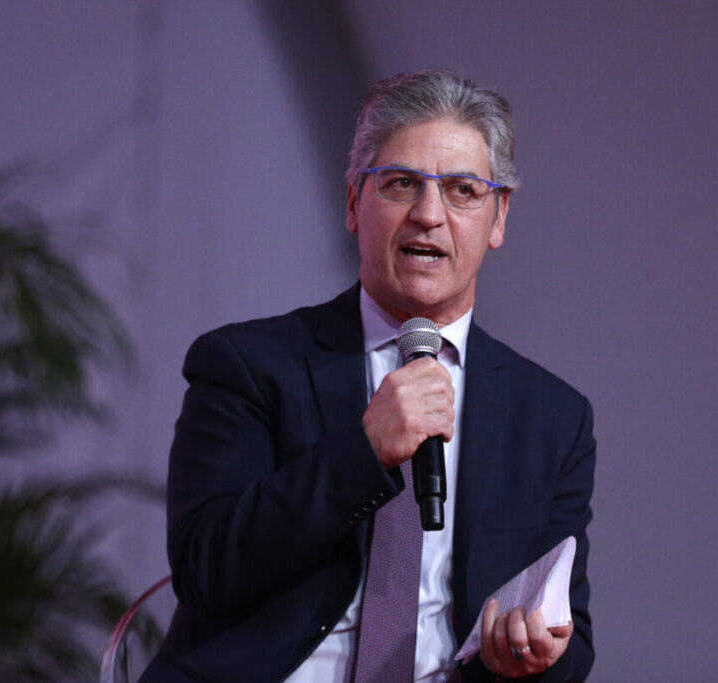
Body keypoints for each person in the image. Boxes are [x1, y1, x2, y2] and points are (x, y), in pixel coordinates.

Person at [141, 69, 595, 682]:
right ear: (355, 202)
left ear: (498, 218)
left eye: (462, 190)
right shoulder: (247, 365)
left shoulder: (552, 417)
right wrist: (362, 452)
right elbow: (205, 569)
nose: (428, 215)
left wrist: (528, 655)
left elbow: (572, 640)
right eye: (402, 183)